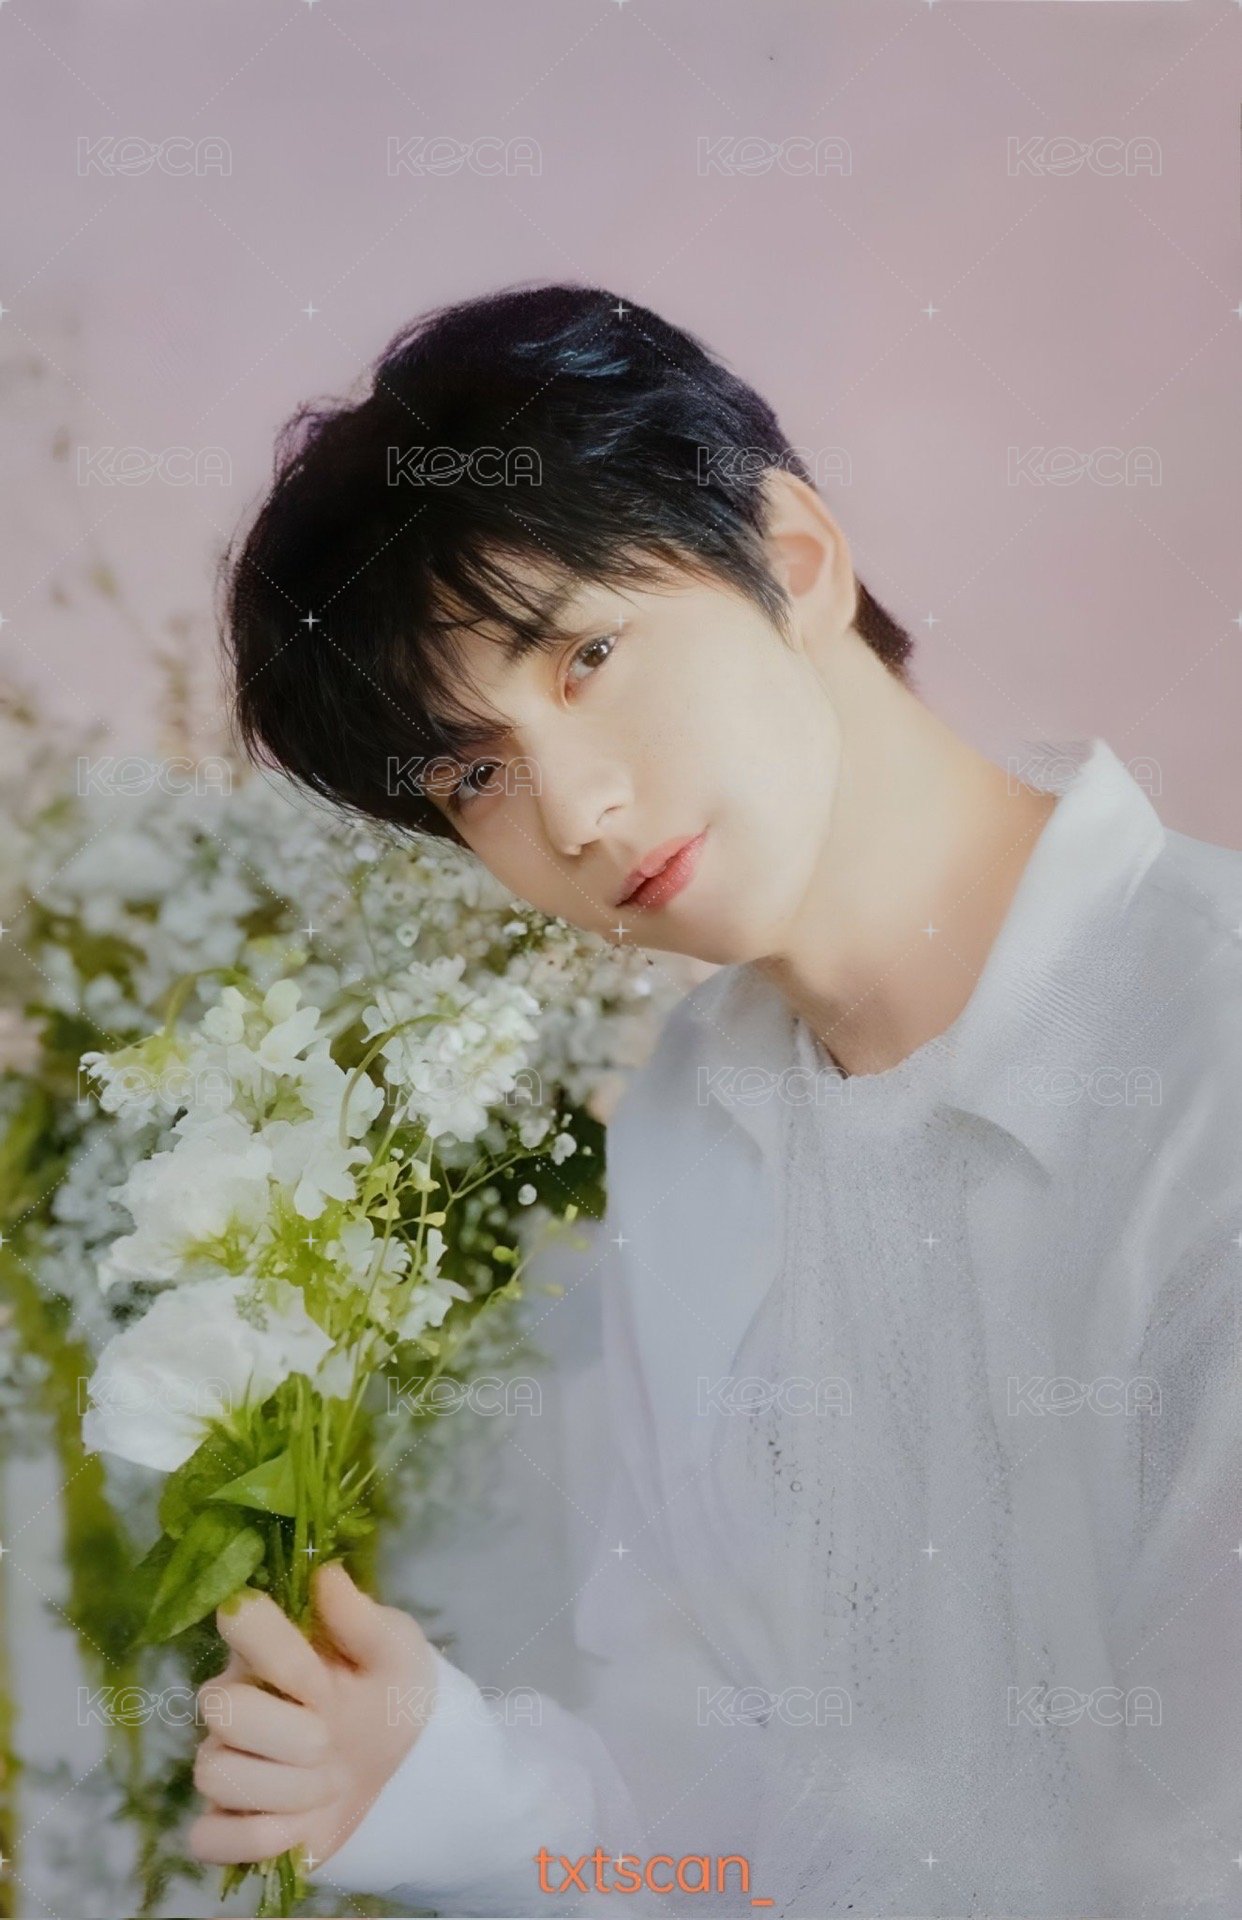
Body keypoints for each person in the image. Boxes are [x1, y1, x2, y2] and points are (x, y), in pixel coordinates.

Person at [189, 281, 1242, 1916]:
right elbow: (729, 1809)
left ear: (794, 559)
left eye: (587, 656)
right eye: (473, 773)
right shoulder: (692, 1119)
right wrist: (466, 1799)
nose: (574, 810)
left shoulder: (1201, 1048)